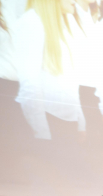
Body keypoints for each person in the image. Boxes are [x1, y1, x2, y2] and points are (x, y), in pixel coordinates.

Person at [12, 0, 86, 139]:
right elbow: (29, 86)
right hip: (48, 121)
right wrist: (42, 133)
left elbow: (69, 78)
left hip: (67, 120)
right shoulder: (32, 22)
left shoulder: (65, 22)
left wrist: (80, 121)